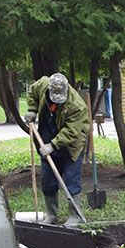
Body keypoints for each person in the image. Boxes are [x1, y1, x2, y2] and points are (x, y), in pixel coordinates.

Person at [24, 73, 89, 226]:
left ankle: (75, 216)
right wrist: (32, 109)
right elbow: (32, 91)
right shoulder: (43, 85)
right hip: (47, 139)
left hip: (70, 146)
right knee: (48, 180)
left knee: (71, 180)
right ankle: (51, 215)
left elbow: (72, 131)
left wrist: (52, 145)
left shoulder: (77, 106)